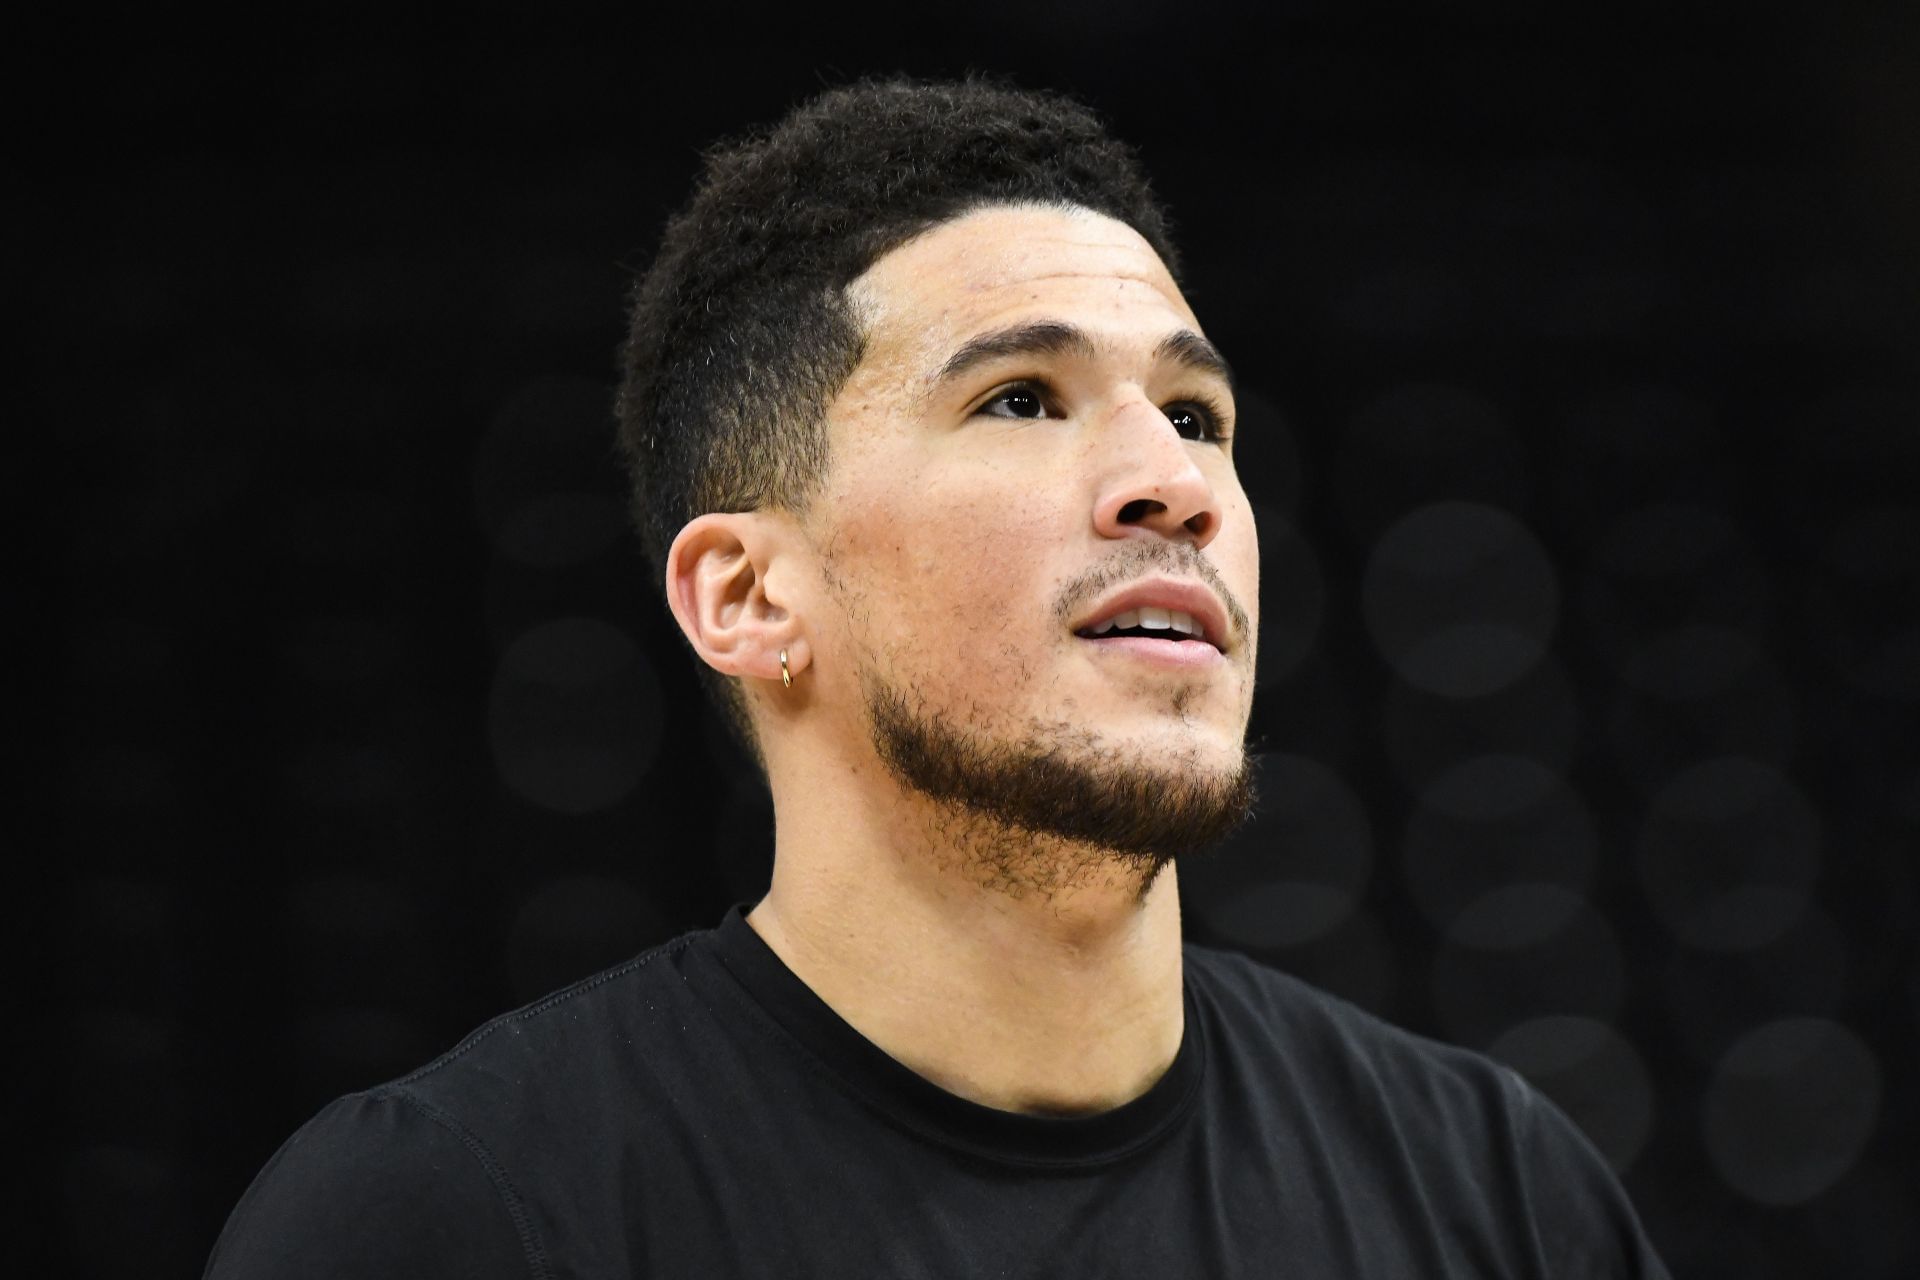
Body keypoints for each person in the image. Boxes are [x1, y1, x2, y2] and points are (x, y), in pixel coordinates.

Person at [205, 78, 1670, 1278]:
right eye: (1020, 399)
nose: (1173, 484)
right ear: (749, 595)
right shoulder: (451, 1219)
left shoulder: (1503, 1198)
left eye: (1196, 413)